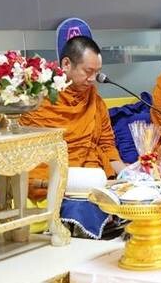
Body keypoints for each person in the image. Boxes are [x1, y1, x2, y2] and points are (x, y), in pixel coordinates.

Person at [21, 36, 125, 199]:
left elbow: (107, 146)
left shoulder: (95, 101)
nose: (93, 79)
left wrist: (128, 175)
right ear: (66, 64)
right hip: (51, 176)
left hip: (92, 175)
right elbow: (28, 152)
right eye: (88, 71)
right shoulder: (40, 100)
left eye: (97, 73)